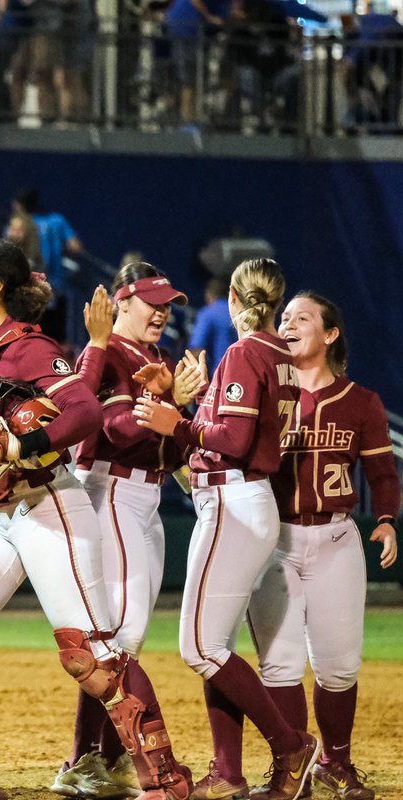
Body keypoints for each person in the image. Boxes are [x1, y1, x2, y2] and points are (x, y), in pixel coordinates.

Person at [0, 238, 192, 800]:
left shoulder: (30, 347)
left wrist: (18, 440)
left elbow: (82, 410)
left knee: (92, 656)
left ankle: (167, 782)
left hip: (48, 502)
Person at [133, 258, 318, 800]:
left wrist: (179, 424)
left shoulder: (244, 351)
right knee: (219, 644)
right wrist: (188, 409)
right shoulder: (280, 354)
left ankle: (290, 747)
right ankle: (229, 771)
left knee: (199, 647)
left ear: (233, 301)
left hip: (235, 501)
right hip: (244, 498)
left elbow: (231, 443)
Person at [52, 267, 206, 798]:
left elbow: (173, 444)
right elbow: (111, 430)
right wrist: (169, 403)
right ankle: (87, 761)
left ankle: (94, 760)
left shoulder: (156, 358)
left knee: (124, 642)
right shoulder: (111, 350)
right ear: (122, 302)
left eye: (168, 303)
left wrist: (183, 413)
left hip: (147, 496)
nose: (162, 311)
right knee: (121, 636)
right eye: (152, 302)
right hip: (111, 490)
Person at [245, 293, 397, 800]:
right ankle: (290, 767)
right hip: (275, 540)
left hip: (335, 538)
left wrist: (388, 520)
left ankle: (335, 764)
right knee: (279, 665)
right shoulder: (264, 391)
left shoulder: (360, 401)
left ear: (330, 334)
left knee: (338, 667)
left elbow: (381, 470)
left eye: (301, 317)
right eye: (283, 317)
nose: (287, 323)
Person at [188, 276, 238, 366]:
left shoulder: (207, 314)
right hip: (238, 373)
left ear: (208, 294)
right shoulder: (239, 313)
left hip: (216, 375)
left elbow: (197, 349)